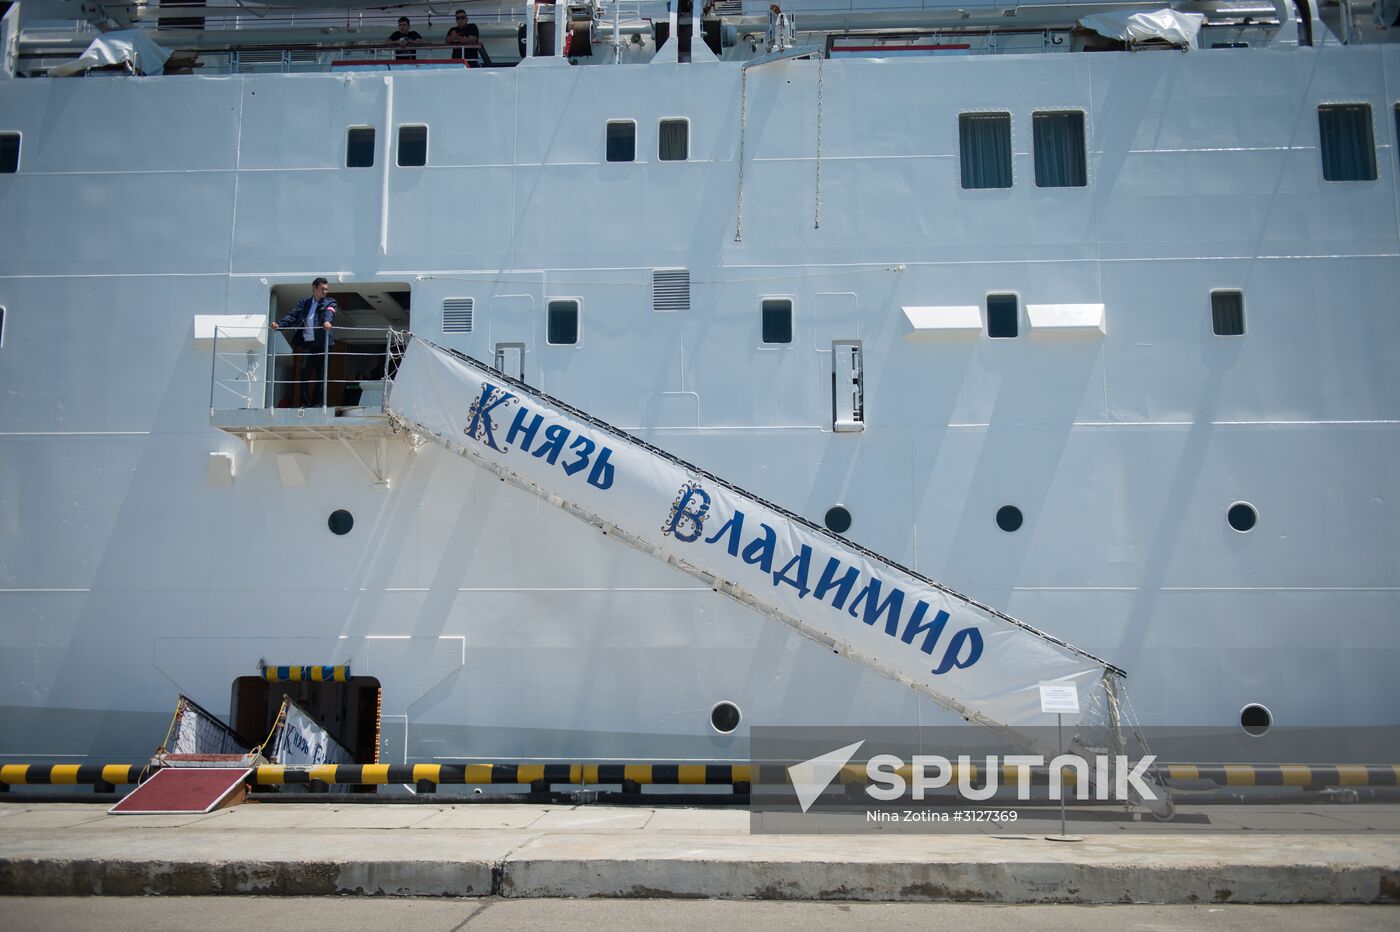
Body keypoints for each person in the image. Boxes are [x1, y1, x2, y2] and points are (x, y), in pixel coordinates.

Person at [271, 277, 337, 408]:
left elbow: (329, 313)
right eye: (322, 289)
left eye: (326, 289)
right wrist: (279, 325)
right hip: (308, 344)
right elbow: (292, 315)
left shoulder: (330, 302)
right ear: (314, 289)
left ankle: (318, 403)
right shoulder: (304, 303)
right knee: (304, 374)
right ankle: (304, 403)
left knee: (321, 375)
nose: (325, 291)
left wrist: (327, 322)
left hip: (323, 344)